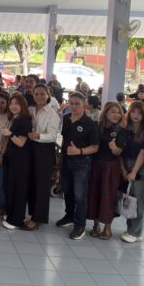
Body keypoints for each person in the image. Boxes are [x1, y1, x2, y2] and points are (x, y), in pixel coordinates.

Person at [56, 92, 99, 240]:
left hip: (82, 163)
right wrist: (61, 157)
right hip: (66, 161)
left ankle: (80, 225)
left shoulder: (90, 124)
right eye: (71, 103)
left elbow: (95, 147)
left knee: (80, 195)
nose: (74, 107)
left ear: (84, 105)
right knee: (67, 191)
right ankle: (69, 216)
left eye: (77, 104)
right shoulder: (66, 118)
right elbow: (65, 139)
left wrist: (79, 151)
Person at [87, 102, 126, 240]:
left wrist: (114, 148)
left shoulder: (121, 130)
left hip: (111, 167)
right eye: (113, 112)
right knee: (94, 193)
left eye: (118, 112)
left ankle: (108, 227)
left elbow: (119, 151)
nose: (116, 115)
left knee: (109, 196)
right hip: (96, 165)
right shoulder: (97, 126)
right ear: (105, 113)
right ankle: (95, 225)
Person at [25, 84, 60, 231]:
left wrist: (38, 136)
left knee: (41, 185)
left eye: (42, 94)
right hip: (30, 148)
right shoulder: (30, 110)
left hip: (44, 150)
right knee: (32, 183)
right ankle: (33, 214)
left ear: (48, 95)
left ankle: (38, 218)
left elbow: (52, 136)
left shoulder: (52, 114)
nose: (39, 97)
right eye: (36, 94)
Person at [120, 101, 144, 243]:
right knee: (130, 199)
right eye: (133, 111)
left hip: (141, 166)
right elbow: (120, 151)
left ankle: (135, 232)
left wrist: (134, 171)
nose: (136, 115)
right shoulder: (125, 129)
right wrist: (123, 169)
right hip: (126, 163)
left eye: (139, 113)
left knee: (139, 200)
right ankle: (131, 230)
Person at [1, 95, 33, 230]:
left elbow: (21, 142)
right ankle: (11, 214)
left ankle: (16, 220)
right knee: (10, 187)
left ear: (23, 105)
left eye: (16, 104)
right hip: (12, 158)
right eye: (11, 103)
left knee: (18, 189)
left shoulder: (25, 121)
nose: (13, 106)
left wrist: (9, 134)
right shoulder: (16, 119)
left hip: (21, 160)